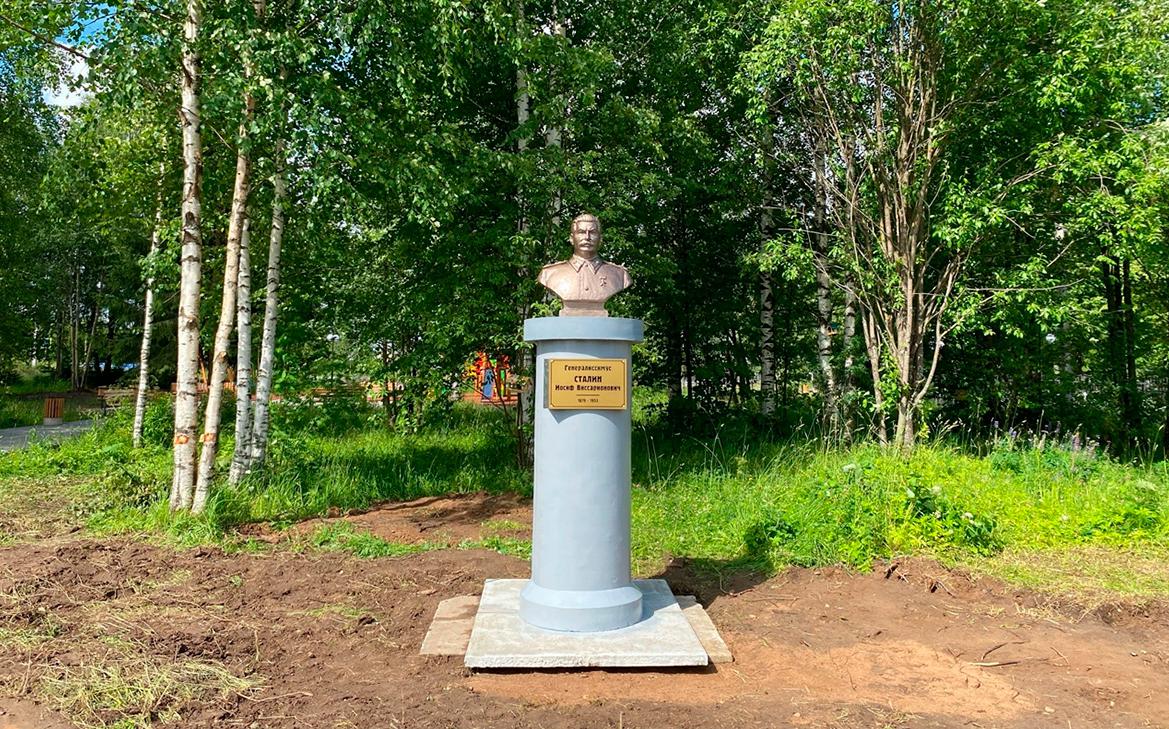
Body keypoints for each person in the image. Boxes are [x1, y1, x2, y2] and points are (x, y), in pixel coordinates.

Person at [538, 213, 632, 316]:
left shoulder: (620, 275)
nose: (587, 237)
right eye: (581, 232)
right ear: (571, 238)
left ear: (600, 239)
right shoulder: (549, 274)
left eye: (593, 233)